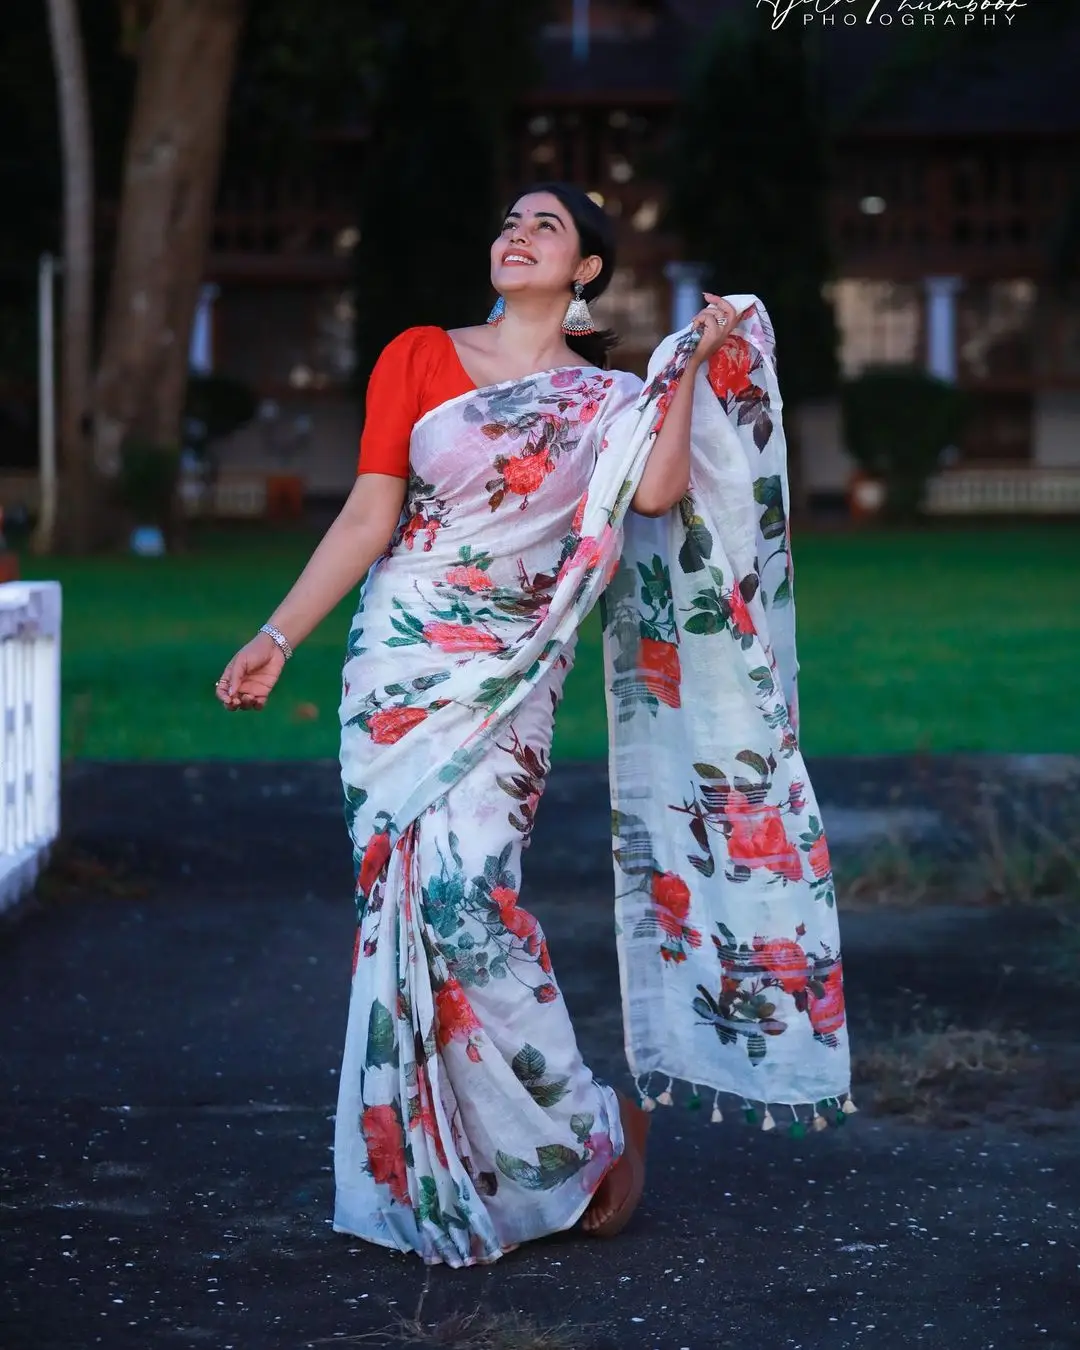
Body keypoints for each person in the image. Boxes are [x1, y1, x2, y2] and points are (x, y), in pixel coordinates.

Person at [215, 182, 851, 1268]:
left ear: (587, 272)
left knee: (468, 901)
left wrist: (688, 363)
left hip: (515, 670)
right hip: (401, 661)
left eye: (544, 225)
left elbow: (653, 496)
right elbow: (371, 512)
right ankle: (469, 1164)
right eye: (508, 219)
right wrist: (279, 634)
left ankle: (596, 1129)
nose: (515, 233)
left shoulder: (607, 399)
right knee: (405, 912)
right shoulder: (417, 355)